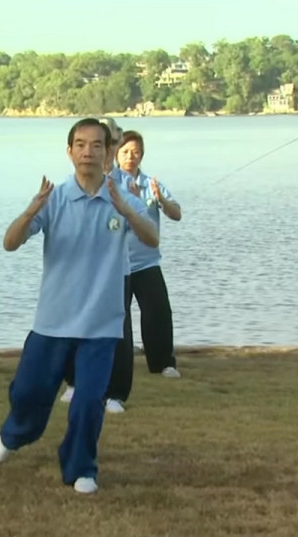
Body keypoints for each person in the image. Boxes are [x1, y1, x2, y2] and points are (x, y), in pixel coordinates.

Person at [0, 118, 159, 494]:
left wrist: (128, 212)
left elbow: (152, 237)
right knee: (29, 394)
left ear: (108, 152)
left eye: (97, 145)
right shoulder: (55, 198)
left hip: (101, 324)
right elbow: (10, 243)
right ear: (70, 152)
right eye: (80, 145)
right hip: (53, 320)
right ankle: (16, 434)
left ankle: (82, 468)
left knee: (87, 403)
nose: (88, 152)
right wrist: (32, 210)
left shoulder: (121, 198)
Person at [58, 117, 133, 413]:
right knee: (76, 324)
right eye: (84, 144)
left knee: (117, 329)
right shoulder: (74, 181)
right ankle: (74, 382)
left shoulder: (125, 182)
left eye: (109, 143)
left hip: (115, 271)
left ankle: (115, 393)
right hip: (80, 270)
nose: (96, 150)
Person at [118, 130, 182, 383]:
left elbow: (176, 214)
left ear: (142, 155)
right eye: (124, 152)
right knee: (118, 318)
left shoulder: (151, 184)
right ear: (115, 154)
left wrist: (161, 201)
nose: (130, 157)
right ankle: (116, 367)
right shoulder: (110, 183)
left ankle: (163, 363)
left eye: (135, 152)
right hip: (118, 264)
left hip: (147, 262)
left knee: (158, 313)